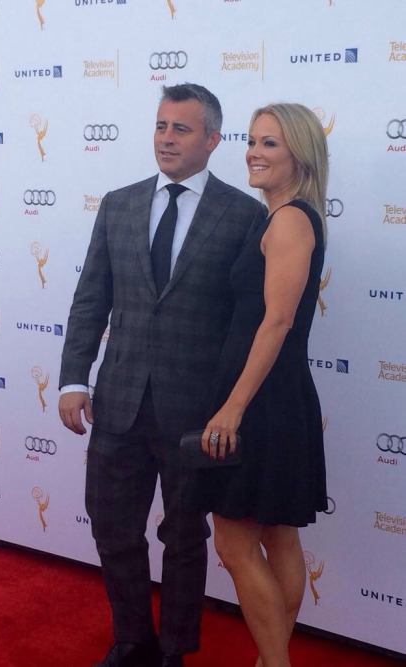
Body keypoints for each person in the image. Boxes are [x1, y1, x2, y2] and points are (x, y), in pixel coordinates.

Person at [58, 83, 265, 667]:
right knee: (112, 526)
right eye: (160, 126)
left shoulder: (244, 214)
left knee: (183, 538)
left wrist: (230, 406)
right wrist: (75, 378)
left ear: (212, 139)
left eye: (181, 128)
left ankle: (173, 649)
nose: (166, 138)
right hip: (118, 402)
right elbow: (89, 299)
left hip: (195, 411)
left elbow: (246, 324)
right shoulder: (118, 203)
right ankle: (132, 639)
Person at [193, 103, 329, 667]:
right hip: (270, 390)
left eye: (270, 143)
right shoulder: (279, 218)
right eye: (251, 141)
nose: (253, 151)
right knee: (277, 536)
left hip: (262, 396)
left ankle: (276, 663)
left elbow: (277, 321)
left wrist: (233, 407)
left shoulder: (292, 219)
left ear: (299, 154)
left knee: (233, 538)